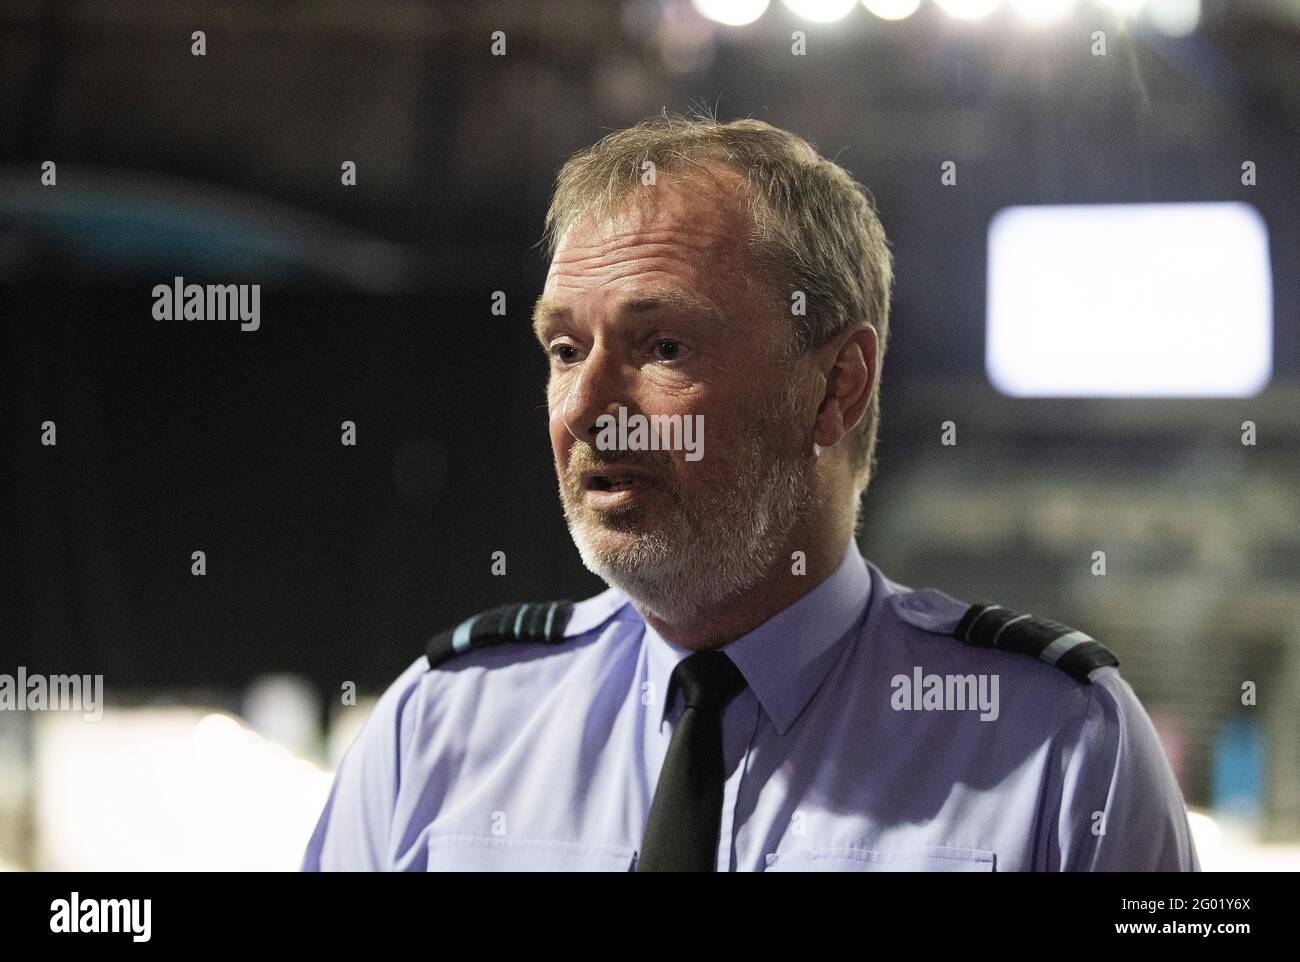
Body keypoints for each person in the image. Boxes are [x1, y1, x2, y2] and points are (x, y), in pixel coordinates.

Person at [302, 113, 1199, 872]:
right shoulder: (438, 731)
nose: (585, 408)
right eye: (566, 350)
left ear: (836, 385)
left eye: (664, 348)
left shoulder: (1061, 753)